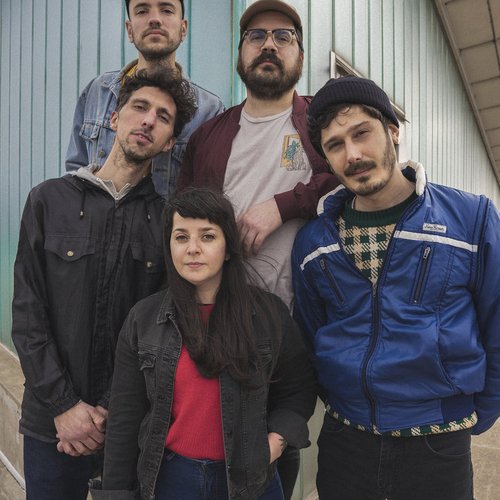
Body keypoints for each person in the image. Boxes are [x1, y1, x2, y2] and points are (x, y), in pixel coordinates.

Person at [292, 75, 500, 500]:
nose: (352, 154)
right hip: (345, 443)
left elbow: (496, 321)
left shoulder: (471, 218)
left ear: (392, 130)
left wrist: (480, 411)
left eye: (361, 133)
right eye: (335, 145)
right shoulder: (315, 241)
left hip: (437, 444)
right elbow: (310, 335)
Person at [11, 69, 196, 500]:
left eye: (163, 117)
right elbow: (28, 314)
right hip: (50, 424)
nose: (148, 120)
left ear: (169, 142)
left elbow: (162, 329)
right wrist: (64, 407)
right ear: (114, 118)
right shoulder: (48, 200)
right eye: (140, 107)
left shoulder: (168, 224)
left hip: (127, 427)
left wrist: (111, 410)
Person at [89, 188, 317, 500]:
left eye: (207, 237)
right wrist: (115, 494)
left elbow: (298, 389)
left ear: (228, 248)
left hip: (251, 479)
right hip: (171, 478)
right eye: (181, 237)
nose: (193, 249)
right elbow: (124, 419)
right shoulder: (144, 320)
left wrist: (274, 443)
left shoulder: (268, 314)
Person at [66, 0, 224, 199]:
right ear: (129, 30)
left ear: (183, 29)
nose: (155, 19)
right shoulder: (97, 92)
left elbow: (207, 194)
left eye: (166, 10)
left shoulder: (209, 110)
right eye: (142, 11)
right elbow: (75, 174)